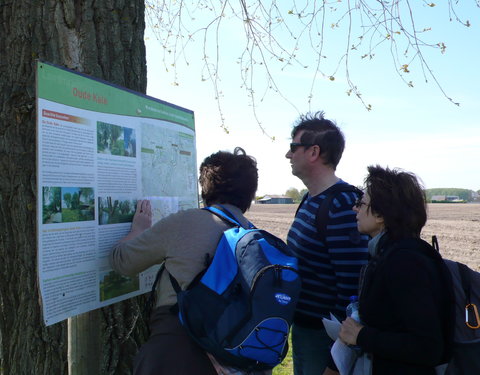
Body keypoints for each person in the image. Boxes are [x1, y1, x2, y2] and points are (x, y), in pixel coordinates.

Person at [110, 147, 262, 375]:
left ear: (205, 187)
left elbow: (122, 261)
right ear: (250, 193)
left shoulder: (187, 221)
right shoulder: (255, 236)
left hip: (178, 352)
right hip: (239, 357)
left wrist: (138, 230)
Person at [337, 165, 455, 375]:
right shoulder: (389, 253)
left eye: (361, 203)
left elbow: (428, 347)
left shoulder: (405, 262)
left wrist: (362, 336)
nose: (355, 209)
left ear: (381, 214)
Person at [285, 111, 369, 375]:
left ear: (313, 152)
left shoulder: (342, 205)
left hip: (326, 340)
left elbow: (354, 287)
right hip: (306, 330)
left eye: (293, 147)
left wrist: (337, 358)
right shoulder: (311, 200)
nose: (288, 155)